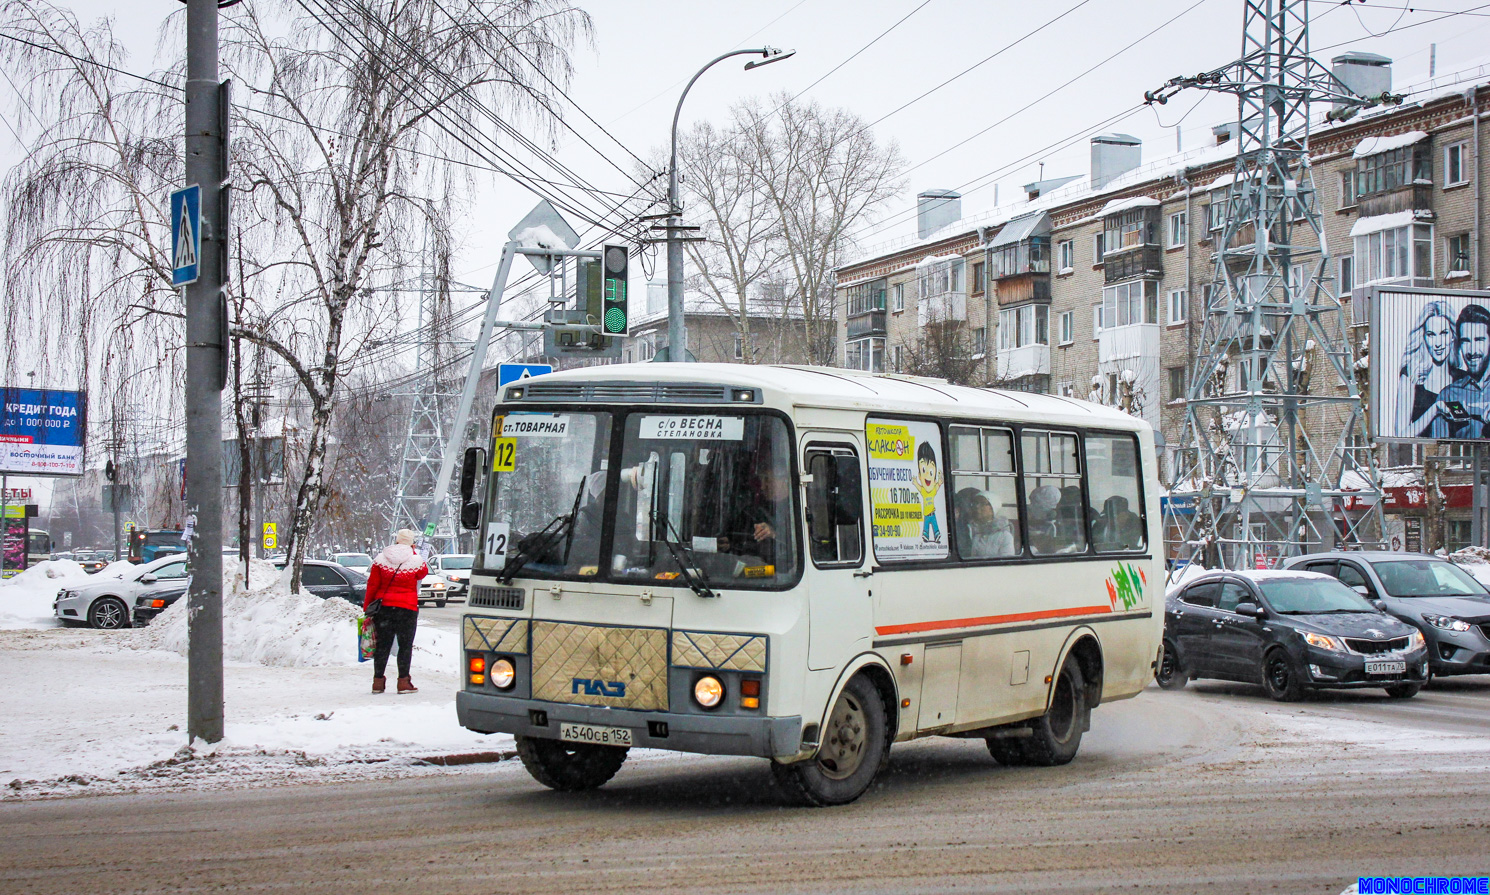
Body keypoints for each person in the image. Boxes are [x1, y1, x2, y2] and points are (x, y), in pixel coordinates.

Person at [365, 528, 427, 695]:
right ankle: (403, 682)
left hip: (384, 609)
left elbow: (372, 584)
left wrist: (367, 607)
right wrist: (412, 551)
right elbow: (423, 573)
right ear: (411, 543)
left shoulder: (381, 559)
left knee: (383, 645)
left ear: (397, 540)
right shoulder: (416, 560)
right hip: (407, 609)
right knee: (405, 646)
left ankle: (378, 682)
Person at [1397, 300, 1456, 437]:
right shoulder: (1411, 376)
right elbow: (1400, 435)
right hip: (1420, 455)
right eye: (1431, 334)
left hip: (1460, 455)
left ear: (1453, 335)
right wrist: (1434, 410)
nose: (1438, 343)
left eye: (1444, 333)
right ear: (1423, 337)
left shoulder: (1463, 378)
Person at [1432, 303, 1490, 439]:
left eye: (1479, 340)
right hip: (1463, 460)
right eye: (1466, 341)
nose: (1472, 350)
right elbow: (1439, 448)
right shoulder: (1449, 395)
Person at [719, 463, 791, 567]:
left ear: (784, 480)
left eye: (767, 480)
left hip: (783, 571)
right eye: (761, 481)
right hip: (751, 569)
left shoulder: (798, 509)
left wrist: (774, 534)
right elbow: (739, 538)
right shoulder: (753, 510)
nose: (762, 487)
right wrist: (728, 544)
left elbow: (800, 549)